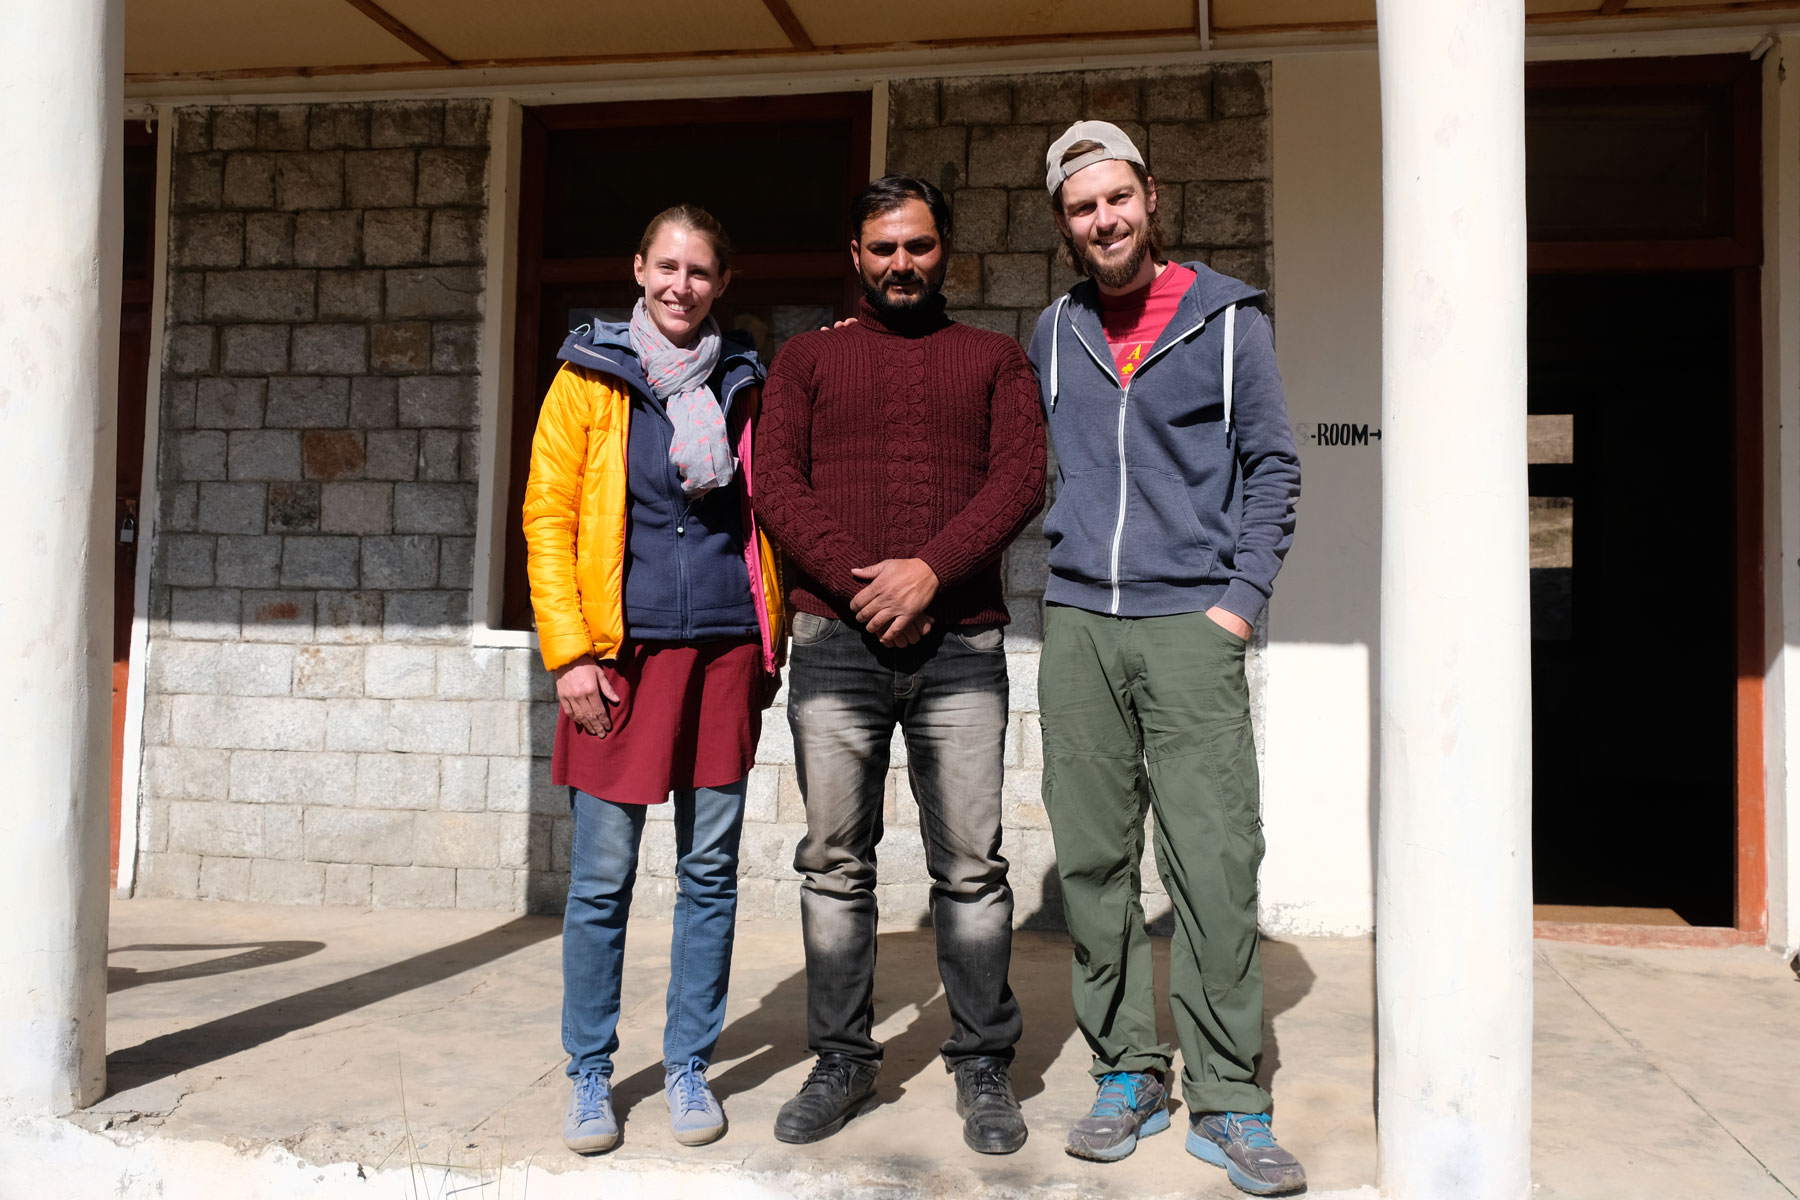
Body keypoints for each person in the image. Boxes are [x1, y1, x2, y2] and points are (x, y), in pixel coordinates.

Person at [1026, 122, 1304, 1196]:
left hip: (1192, 624)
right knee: (1094, 868)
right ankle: (1125, 1073)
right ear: (1066, 224)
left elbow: (1274, 464)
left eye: (1117, 198)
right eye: (1082, 208)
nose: (1104, 220)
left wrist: (1237, 604)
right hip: (1081, 627)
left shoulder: (1228, 322)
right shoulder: (1054, 332)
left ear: (1152, 197)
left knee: (1214, 864)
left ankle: (1231, 1098)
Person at [755, 176, 1047, 1155]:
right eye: (883, 248)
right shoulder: (804, 361)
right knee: (836, 867)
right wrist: (859, 581)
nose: (901, 264)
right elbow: (773, 483)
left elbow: (1020, 477)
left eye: (918, 246)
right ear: (856, 255)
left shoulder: (996, 360)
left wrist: (930, 573)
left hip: (960, 647)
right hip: (835, 649)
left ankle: (982, 1066)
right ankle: (841, 1059)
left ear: (944, 250)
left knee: (971, 869)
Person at [522, 204, 785, 1155]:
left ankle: (688, 1064)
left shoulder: (748, 380)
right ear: (638, 269)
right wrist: (570, 655)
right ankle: (590, 1073)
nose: (681, 286)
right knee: (601, 878)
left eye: (700, 271)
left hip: (722, 653)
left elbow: (773, 502)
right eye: (666, 267)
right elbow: (547, 517)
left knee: (709, 874)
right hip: (618, 663)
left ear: (723, 283)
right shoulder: (589, 377)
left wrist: (770, 635)